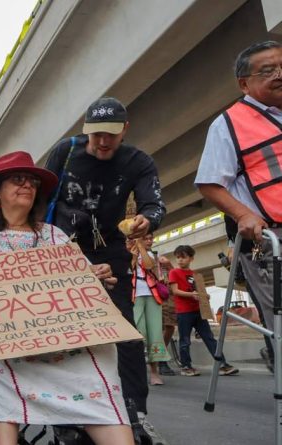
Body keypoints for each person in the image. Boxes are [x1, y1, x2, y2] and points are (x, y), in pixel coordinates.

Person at [0, 151, 132, 445]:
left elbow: (78, 270)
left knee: (101, 349)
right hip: (0, 329)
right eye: (17, 180)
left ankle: (111, 428)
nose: (27, 185)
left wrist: (95, 274)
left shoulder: (54, 235)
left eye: (31, 181)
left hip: (57, 327)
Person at [44, 96, 166, 438]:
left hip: (107, 250)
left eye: (109, 134)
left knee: (124, 330)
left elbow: (154, 203)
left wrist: (147, 220)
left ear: (124, 130)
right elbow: (41, 201)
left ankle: (135, 411)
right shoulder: (65, 152)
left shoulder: (137, 161)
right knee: (62, 329)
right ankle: (65, 413)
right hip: (61, 251)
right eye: (95, 133)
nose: (101, 141)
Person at [195, 40, 282, 371]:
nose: (279, 74)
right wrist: (244, 214)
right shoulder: (229, 124)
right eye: (267, 70)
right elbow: (210, 182)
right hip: (269, 238)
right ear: (244, 83)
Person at [168, 245, 239, 377]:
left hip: (198, 310)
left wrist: (204, 296)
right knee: (185, 340)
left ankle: (222, 364)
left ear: (191, 258)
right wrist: (193, 295)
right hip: (184, 312)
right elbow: (175, 291)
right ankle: (186, 366)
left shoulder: (195, 275)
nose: (180, 260)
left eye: (183, 257)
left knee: (209, 338)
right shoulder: (174, 272)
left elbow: (200, 292)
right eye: (178, 257)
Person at [127, 233, 170, 386]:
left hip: (152, 295)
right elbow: (127, 270)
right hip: (134, 295)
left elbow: (149, 265)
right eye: (146, 238)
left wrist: (141, 247)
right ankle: (135, 369)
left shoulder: (151, 254)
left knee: (155, 333)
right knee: (139, 332)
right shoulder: (127, 250)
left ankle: (154, 372)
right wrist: (133, 255)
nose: (150, 241)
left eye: (151, 238)